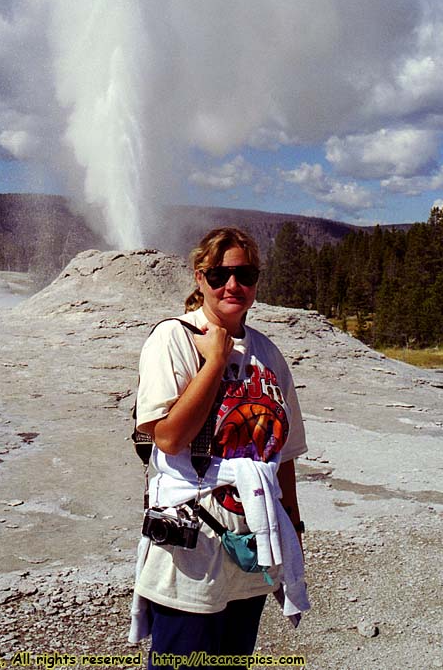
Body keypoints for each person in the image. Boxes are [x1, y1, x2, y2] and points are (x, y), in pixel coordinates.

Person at [129, 227, 309, 664]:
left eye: (245, 274)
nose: (233, 285)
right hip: (194, 536)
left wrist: (294, 527)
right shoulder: (174, 339)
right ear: (199, 278)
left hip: (254, 535)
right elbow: (168, 436)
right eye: (219, 275)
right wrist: (214, 359)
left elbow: (281, 453)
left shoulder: (267, 351)